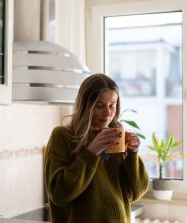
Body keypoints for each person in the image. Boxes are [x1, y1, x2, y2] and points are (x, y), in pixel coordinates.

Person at [44, 73, 149, 223]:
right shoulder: (62, 136)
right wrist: (90, 153)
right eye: (100, 106)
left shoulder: (117, 137)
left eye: (112, 105)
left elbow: (135, 192)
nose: (107, 113)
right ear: (85, 105)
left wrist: (133, 154)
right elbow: (59, 194)